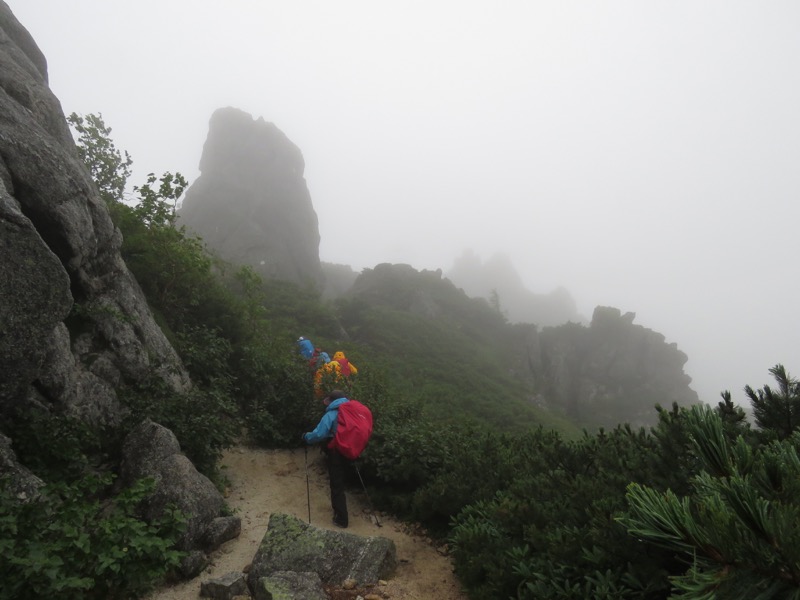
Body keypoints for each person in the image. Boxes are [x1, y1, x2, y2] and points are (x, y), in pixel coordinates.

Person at [302, 390, 350, 528]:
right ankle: (341, 512)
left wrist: (306, 437)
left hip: (336, 453)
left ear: (332, 400)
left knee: (337, 485)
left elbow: (319, 434)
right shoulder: (349, 411)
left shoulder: (331, 414)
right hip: (350, 451)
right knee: (343, 481)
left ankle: (341, 519)